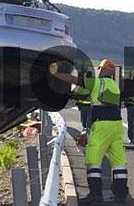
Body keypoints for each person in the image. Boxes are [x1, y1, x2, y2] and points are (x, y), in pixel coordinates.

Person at [51, 59, 129, 203]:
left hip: (102, 126)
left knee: (93, 160)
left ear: (102, 70)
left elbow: (75, 80)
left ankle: (95, 195)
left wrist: (56, 74)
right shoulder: (115, 86)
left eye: (99, 69)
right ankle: (121, 193)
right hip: (117, 126)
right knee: (119, 161)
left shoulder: (97, 83)